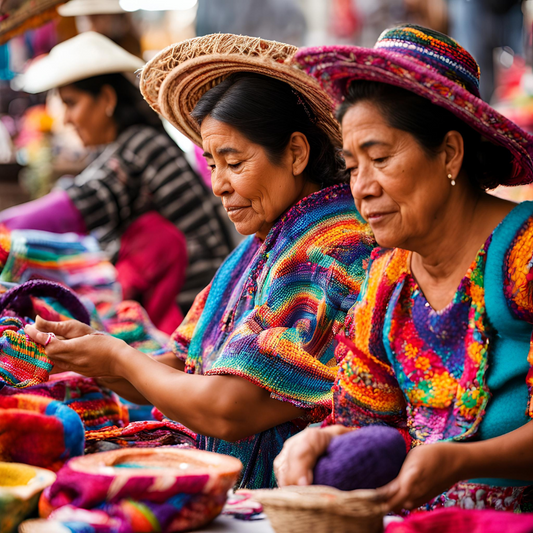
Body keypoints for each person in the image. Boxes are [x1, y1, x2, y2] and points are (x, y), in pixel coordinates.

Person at [25, 33, 375, 489]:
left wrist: (116, 356)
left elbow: (229, 408)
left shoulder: (330, 249)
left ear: (295, 153)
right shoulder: (262, 246)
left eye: (234, 162)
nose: (219, 185)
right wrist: (91, 354)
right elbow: (181, 368)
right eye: (212, 164)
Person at [275, 24, 533, 512]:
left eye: (380, 157)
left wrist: (459, 462)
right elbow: (364, 419)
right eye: (353, 166)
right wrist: (321, 440)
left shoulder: (525, 254)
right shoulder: (388, 280)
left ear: (450, 153)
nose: (362, 187)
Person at [0, 32, 233, 332]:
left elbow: (75, 206)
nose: (67, 119)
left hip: (191, 314)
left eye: (72, 103)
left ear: (107, 99)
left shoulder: (141, 146)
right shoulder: (121, 147)